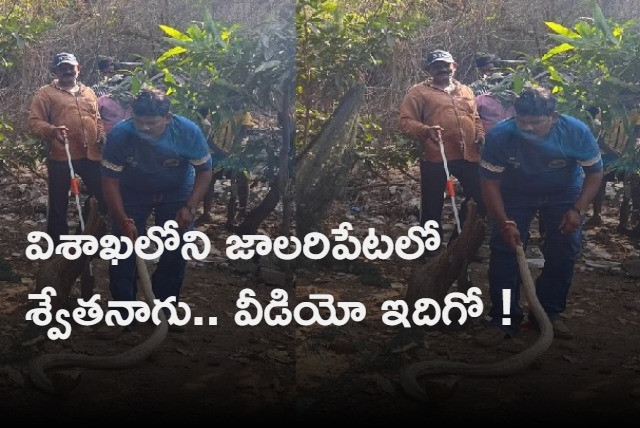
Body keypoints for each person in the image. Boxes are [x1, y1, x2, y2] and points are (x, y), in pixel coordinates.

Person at [476, 87, 603, 346]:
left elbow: (594, 173)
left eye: (536, 122)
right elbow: (489, 184)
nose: (528, 128)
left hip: (563, 191)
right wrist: (504, 222)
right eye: (523, 121)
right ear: (514, 116)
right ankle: (503, 318)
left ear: (553, 117)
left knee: (564, 246)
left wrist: (577, 209)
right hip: (515, 193)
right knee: (505, 248)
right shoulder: (500, 135)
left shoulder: (575, 132)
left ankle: (548, 312)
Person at [100, 89, 213, 332]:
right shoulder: (120, 134)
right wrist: (122, 220)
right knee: (122, 249)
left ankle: (164, 310)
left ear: (168, 118)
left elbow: (205, 171)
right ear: (132, 117)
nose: (145, 128)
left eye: (151, 123)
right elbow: (110, 181)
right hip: (133, 191)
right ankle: (123, 315)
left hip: (176, 191)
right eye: (139, 122)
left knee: (175, 248)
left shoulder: (187, 131)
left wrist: (189, 207)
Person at [399, 49, 486, 251]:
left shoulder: (465, 91)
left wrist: (480, 134)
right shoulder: (418, 92)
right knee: (432, 205)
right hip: (436, 154)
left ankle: (460, 245)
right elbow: (405, 122)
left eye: (446, 65)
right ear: (429, 69)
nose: (442, 69)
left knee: (480, 197)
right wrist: (426, 130)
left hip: (469, 154)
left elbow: (476, 118)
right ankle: (430, 250)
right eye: (436, 66)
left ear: (453, 67)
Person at [28, 52, 106, 247]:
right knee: (58, 203)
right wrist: (52, 130)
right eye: (62, 68)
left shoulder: (88, 92)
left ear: (78, 69)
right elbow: (34, 122)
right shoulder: (45, 94)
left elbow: (97, 118)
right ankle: (58, 245)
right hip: (62, 155)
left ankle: (86, 237)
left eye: (71, 67)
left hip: (91, 154)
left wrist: (101, 134)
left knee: (102, 196)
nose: (67, 71)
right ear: (55, 71)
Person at [194, 108, 254, 229]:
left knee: (242, 179)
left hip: (234, 154)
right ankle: (207, 213)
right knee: (208, 179)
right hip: (216, 153)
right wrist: (218, 151)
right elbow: (208, 136)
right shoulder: (216, 113)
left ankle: (239, 212)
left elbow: (243, 135)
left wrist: (233, 153)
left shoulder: (244, 114)